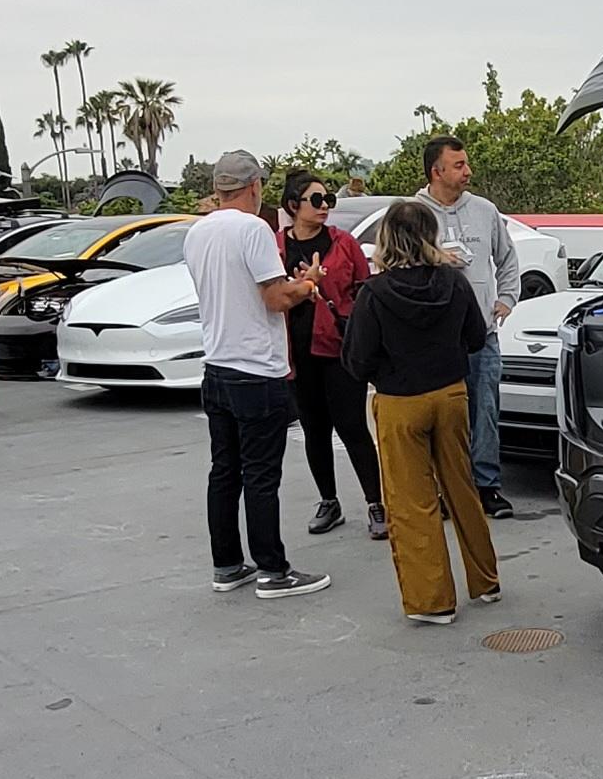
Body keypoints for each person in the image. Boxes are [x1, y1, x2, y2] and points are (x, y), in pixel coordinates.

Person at [346, 200, 500, 624]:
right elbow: (475, 337)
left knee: (412, 502)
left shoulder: (374, 294)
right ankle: (485, 580)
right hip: (450, 395)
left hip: (400, 400)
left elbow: (357, 361)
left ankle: (433, 601)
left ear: (387, 239)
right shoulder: (453, 282)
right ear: (430, 235)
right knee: (462, 486)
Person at [185, 151, 331, 599]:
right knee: (262, 475)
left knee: (224, 471)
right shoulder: (253, 229)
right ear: (255, 186)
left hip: (217, 365)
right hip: (256, 367)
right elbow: (274, 299)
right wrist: (308, 284)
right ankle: (273, 570)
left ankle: (227, 564)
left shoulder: (197, 232)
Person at [278, 170, 386, 541]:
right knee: (315, 430)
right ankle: (329, 501)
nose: (325, 207)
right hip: (296, 351)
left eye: (328, 200)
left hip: (338, 350)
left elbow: (364, 291)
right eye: (316, 200)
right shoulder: (275, 246)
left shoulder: (343, 244)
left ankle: (376, 504)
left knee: (352, 427)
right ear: (294, 205)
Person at [415, 136, 520, 518]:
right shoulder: (413, 213)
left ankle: (486, 486)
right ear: (436, 171)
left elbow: (508, 260)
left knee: (485, 411)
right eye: (458, 165)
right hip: (433, 341)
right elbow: (393, 263)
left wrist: (506, 299)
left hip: (481, 335)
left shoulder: (485, 211)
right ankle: (445, 491)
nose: (467, 171)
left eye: (466, 163)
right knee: (442, 420)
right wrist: (433, 255)